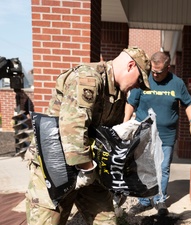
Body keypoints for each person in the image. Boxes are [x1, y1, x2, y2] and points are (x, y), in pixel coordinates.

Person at [25, 46, 151, 225]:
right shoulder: (88, 79)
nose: (138, 85)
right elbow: (73, 130)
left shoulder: (118, 92)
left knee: (106, 221)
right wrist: (87, 169)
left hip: (89, 168)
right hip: (54, 167)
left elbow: (105, 135)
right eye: (139, 79)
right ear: (130, 66)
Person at [125, 51, 191, 216]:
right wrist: (126, 126)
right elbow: (131, 103)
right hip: (144, 133)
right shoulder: (144, 79)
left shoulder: (177, 83)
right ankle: (145, 201)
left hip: (166, 135)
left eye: (159, 72)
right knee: (143, 166)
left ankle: (160, 199)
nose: (155, 74)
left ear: (168, 67)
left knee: (163, 167)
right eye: (153, 70)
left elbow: (188, 103)